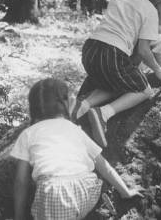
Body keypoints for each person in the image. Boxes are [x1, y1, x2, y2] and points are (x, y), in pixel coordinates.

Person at [73, 0, 161, 147]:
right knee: (144, 90)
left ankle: (82, 106)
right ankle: (103, 113)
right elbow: (143, 50)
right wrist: (158, 70)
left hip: (90, 49)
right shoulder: (149, 10)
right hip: (113, 54)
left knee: (114, 81)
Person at [11, 78, 141, 220]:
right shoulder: (73, 129)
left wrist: (18, 216)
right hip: (87, 189)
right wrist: (125, 191)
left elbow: (21, 181)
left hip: (55, 194)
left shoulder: (28, 134)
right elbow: (103, 164)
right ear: (65, 104)